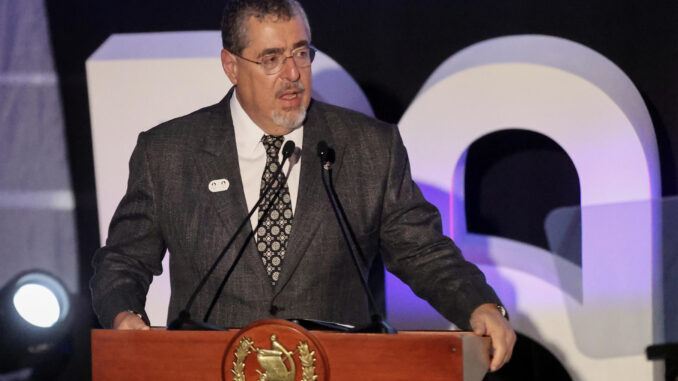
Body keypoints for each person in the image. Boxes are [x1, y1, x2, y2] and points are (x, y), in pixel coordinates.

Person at [90, 0, 516, 371]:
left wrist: (479, 304)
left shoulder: (368, 148)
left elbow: (423, 251)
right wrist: (123, 315)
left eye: (301, 53)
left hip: (341, 369)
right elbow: (124, 261)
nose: (293, 73)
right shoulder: (168, 153)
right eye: (272, 58)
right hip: (209, 368)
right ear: (231, 66)